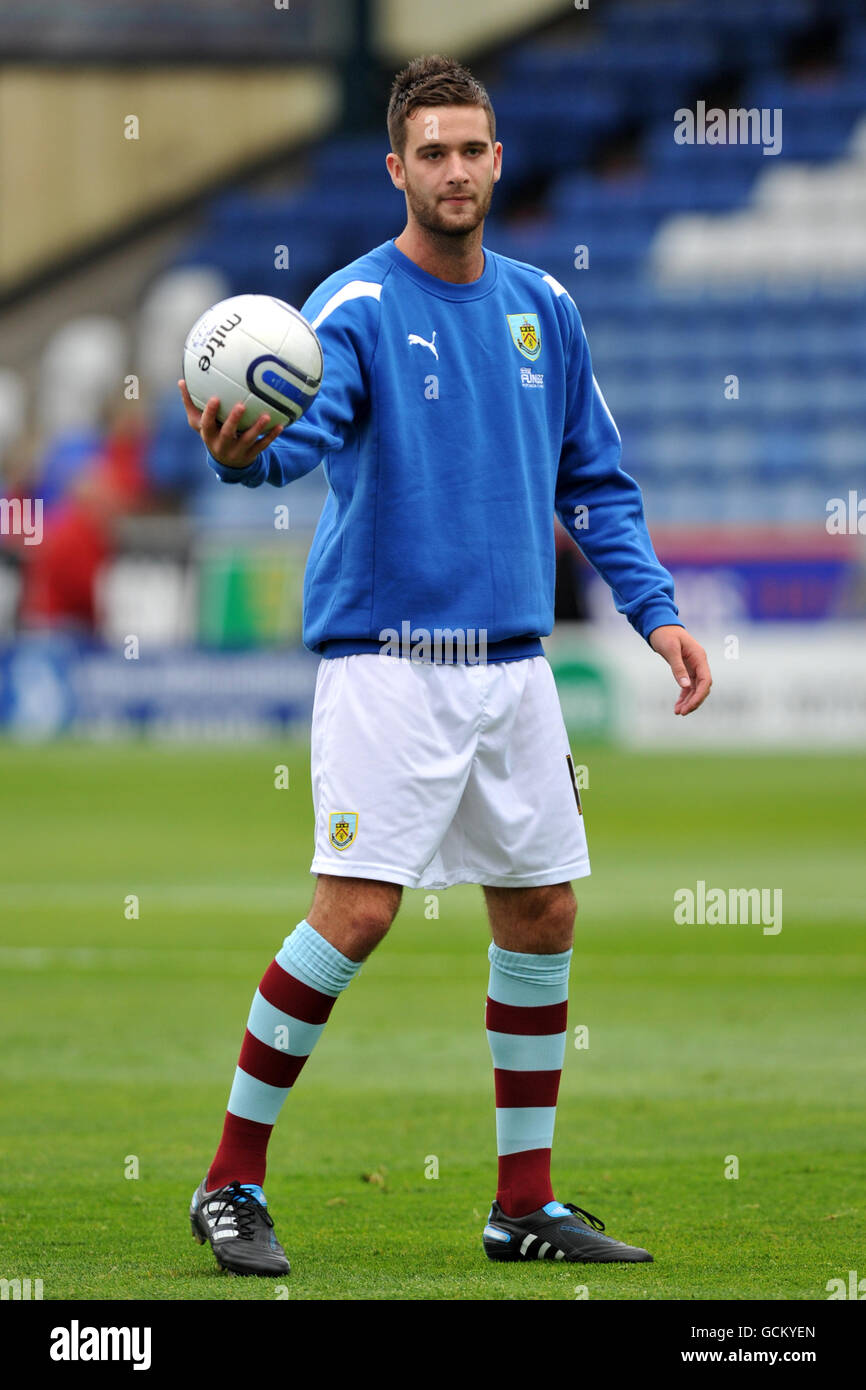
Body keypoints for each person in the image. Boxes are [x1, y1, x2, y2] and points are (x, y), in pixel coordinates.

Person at [178, 54, 711, 1276]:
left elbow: (596, 482)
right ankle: (228, 1183)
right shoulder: (352, 310)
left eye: (473, 149)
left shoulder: (543, 310)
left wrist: (656, 611)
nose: (456, 170)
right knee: (356, 913)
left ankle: (520, 1203)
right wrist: (239, 455)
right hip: (390, 663)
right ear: (396, 169)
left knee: (542, 909)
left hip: (514, 665)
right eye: (433, 153)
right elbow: (292, 435)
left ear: (498, 159)